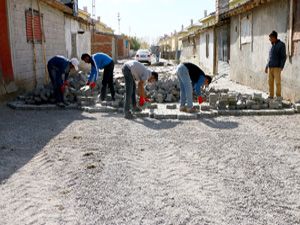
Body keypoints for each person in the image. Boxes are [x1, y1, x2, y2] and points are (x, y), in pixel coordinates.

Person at [265, 30, 287, 99]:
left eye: (270, 38)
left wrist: (281, 66)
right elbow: (269, 57)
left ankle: (278, 97)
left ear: (274, 37)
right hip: (270, 67)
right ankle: (271, 96)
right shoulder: (271, 46)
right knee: (270, 83)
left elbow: (283, 57)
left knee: (278, 83)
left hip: (277, 68)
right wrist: (266, 66)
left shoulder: (281, 45)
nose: (269, 39)